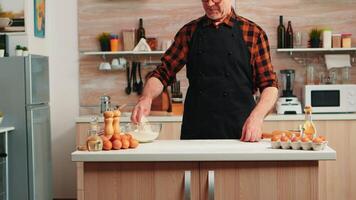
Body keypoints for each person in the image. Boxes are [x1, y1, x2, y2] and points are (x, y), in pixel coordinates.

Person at [131, 0, 278, 142]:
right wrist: (147, 97)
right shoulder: (189, 32)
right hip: (197, 130)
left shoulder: (253, 33)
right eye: (205, 0)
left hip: (242, 130)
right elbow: (163, 72)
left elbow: (269, 85)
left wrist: (257, 117)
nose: (210, 4)